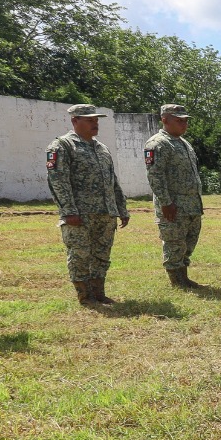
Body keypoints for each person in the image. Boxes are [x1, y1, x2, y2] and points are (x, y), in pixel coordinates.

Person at [47, 103, 129, 305]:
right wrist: (68, 211)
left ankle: (98, 293)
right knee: (80, 255)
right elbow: (58, 181)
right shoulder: (63, 146)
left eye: (96, 120)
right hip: (80, 214)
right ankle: (85, 296)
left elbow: (112, 181)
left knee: (101, 255)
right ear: (75, 120)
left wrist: (121, 207)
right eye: (90, 120)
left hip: (105, 212)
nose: (95, 123)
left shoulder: (101, 148)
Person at [144, 103, 205, 288]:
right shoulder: (157, 143)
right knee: (174, 242)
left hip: (191, 205)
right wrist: (165, 203)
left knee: (187, 243)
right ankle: (177, 281)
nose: (183, 124)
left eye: (185, 121)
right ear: (164, 120)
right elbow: (155, 175)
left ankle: (183, 277)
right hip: (173, 206)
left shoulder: (183, 143)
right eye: (179, 121)